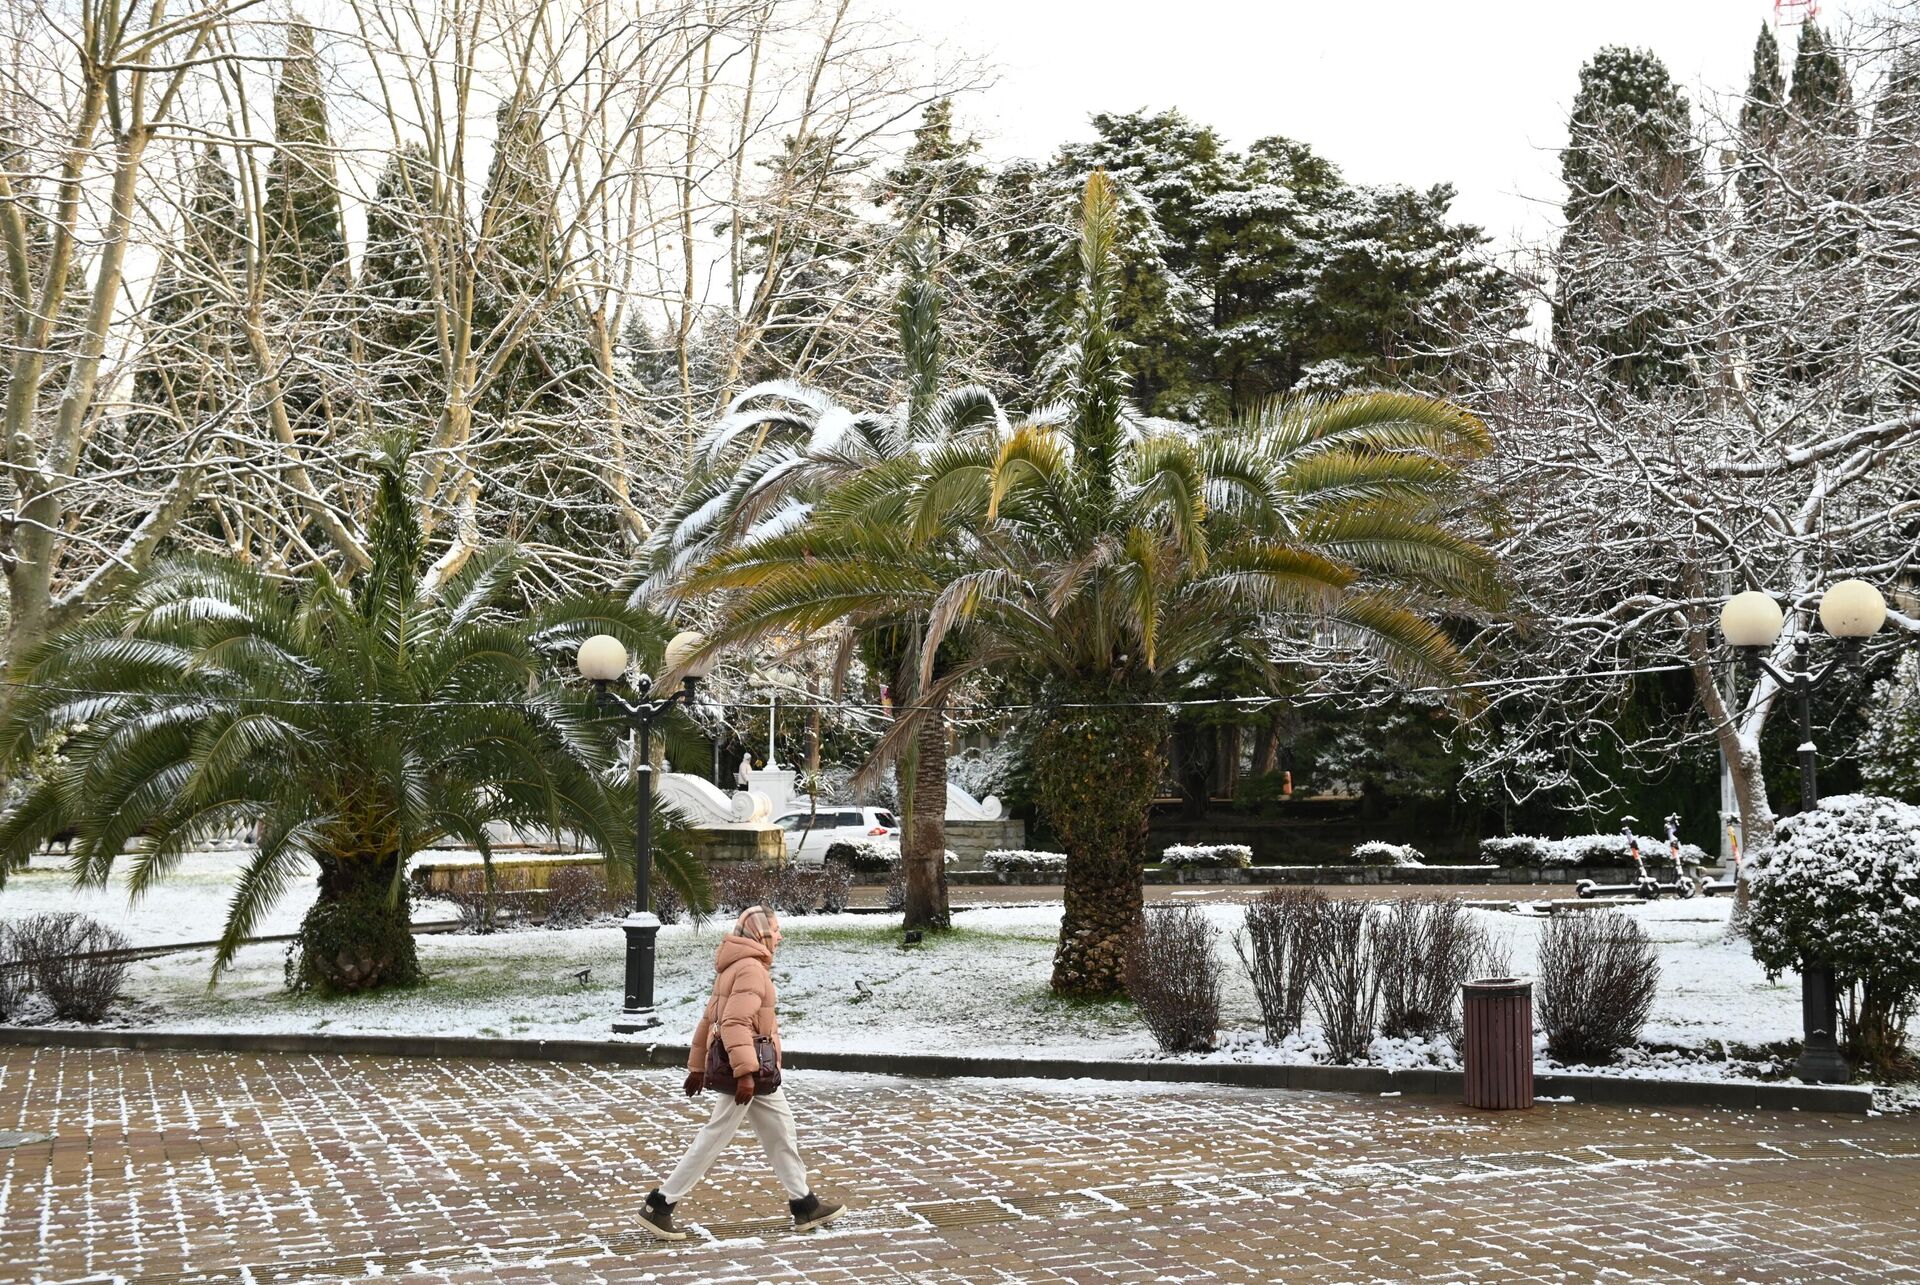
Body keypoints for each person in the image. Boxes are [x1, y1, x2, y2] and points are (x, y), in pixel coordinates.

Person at [641, 905, 844, 1240]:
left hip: (757, 1072)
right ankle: (659, 1205)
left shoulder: (735, 964)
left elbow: (710, 1019)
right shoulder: (751, 969)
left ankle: (804, 1204)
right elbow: (733, 1022)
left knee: (781, 1132)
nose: (779, 936)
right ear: (760, 933)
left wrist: (696, 1068)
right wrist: (746, 1074)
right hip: (748, 1071)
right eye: (775, 929)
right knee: (714, 1137)